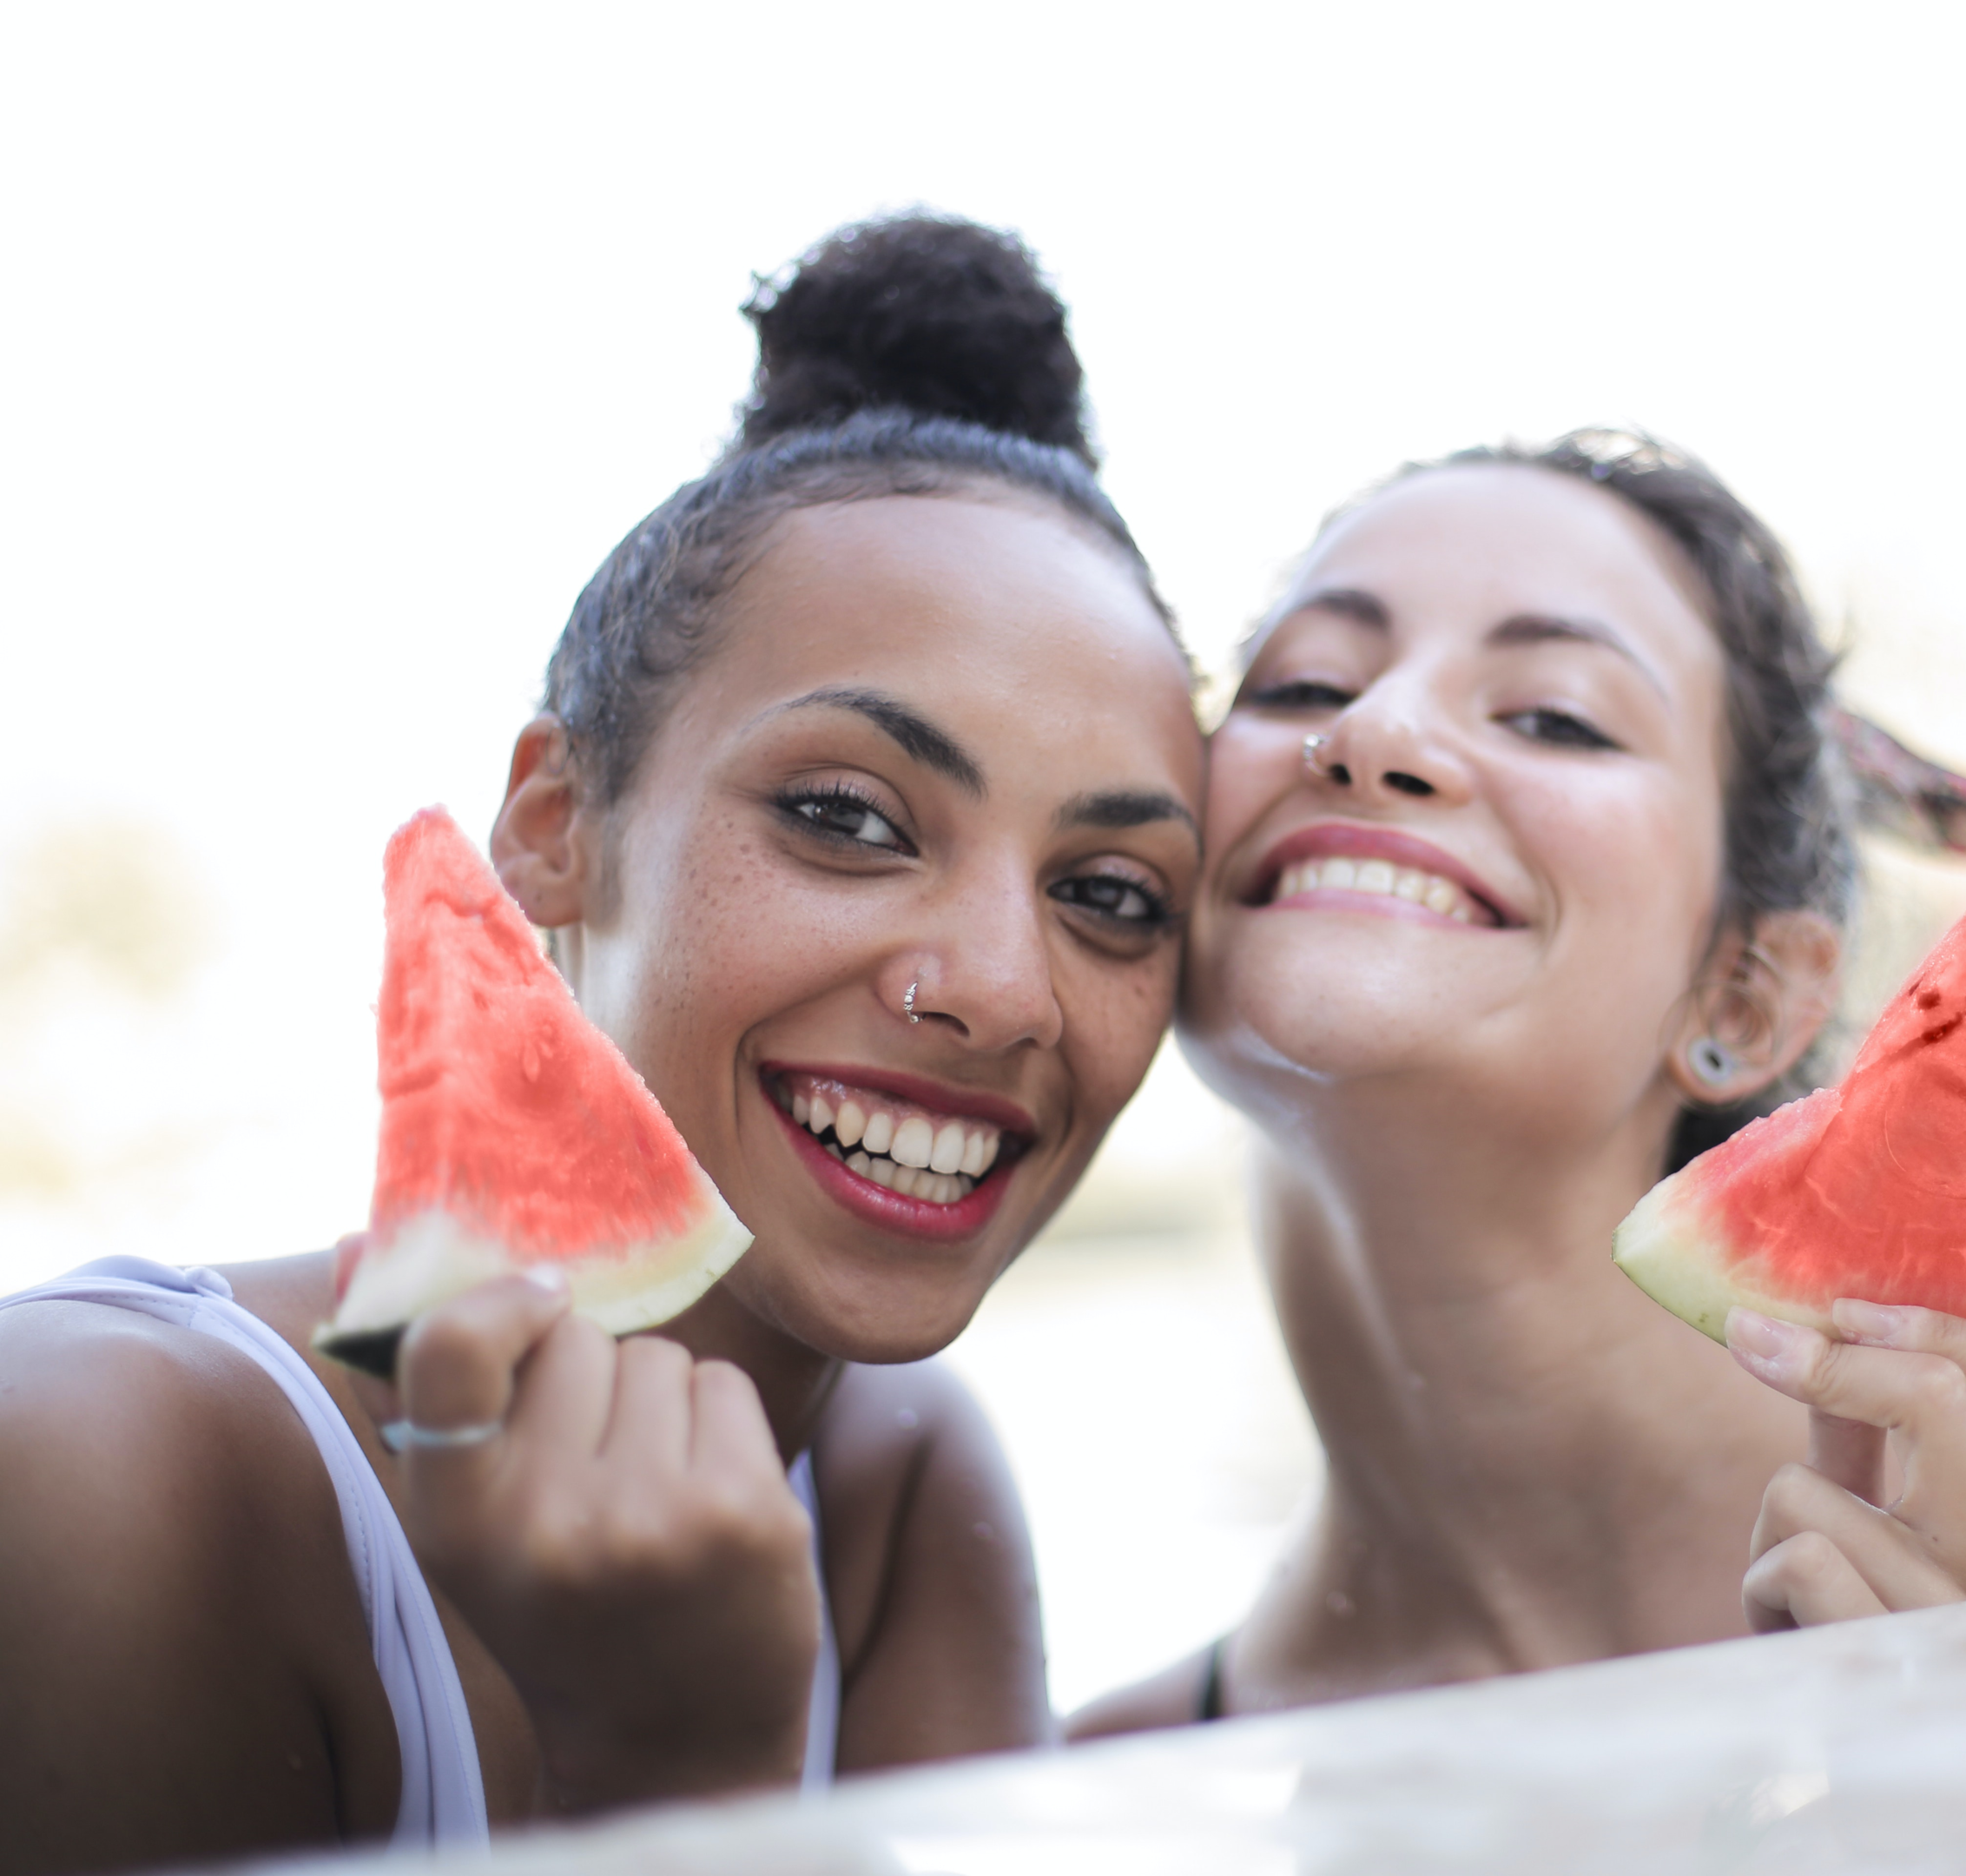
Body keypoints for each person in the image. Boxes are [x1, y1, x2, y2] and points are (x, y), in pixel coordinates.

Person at [0, 215, 1205, 1872]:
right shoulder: (94, 1470)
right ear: (556, 825)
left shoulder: (901, 1485)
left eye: (1113, 894)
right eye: (849, 816)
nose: (1005, 989)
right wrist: (678, 1781)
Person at [1073, 432, 1966, 1732]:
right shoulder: (1114, 1778)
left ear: (1748, 994)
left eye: (1555, 715)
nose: (1370, 731)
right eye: (1300, 684)